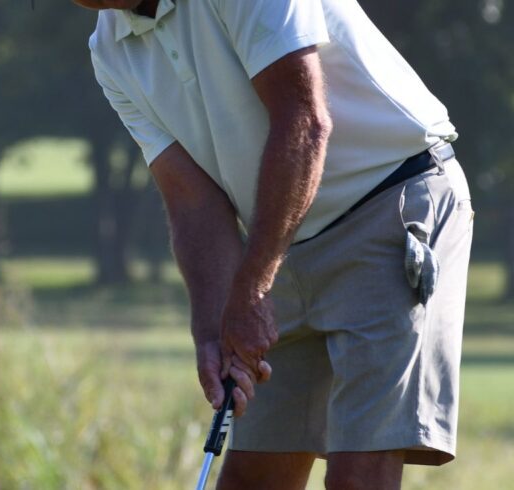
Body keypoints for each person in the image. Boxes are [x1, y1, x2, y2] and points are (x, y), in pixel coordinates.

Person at [75, 0, 474, 488]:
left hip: (389, 202)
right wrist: (214, 327)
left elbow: (304, 121)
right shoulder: (109, 51)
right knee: (254, 475)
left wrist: (251, 286)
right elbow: (194, 200)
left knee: (358, 474)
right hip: (281, 236)